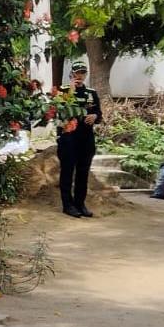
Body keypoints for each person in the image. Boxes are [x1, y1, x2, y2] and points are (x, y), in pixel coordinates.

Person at [56, 63, 103, 218]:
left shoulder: (91, 92)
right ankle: (67, 205)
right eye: (77, 72)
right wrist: (71, 90)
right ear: (72, 74)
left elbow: (99, 113)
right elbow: (60, 111)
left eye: (83, 73)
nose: (80, 75)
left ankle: (80, 204)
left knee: (83, 172)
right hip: (69, 138)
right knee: (67, 171)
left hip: (86, 138)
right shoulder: (63, 90)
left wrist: (95, 116)